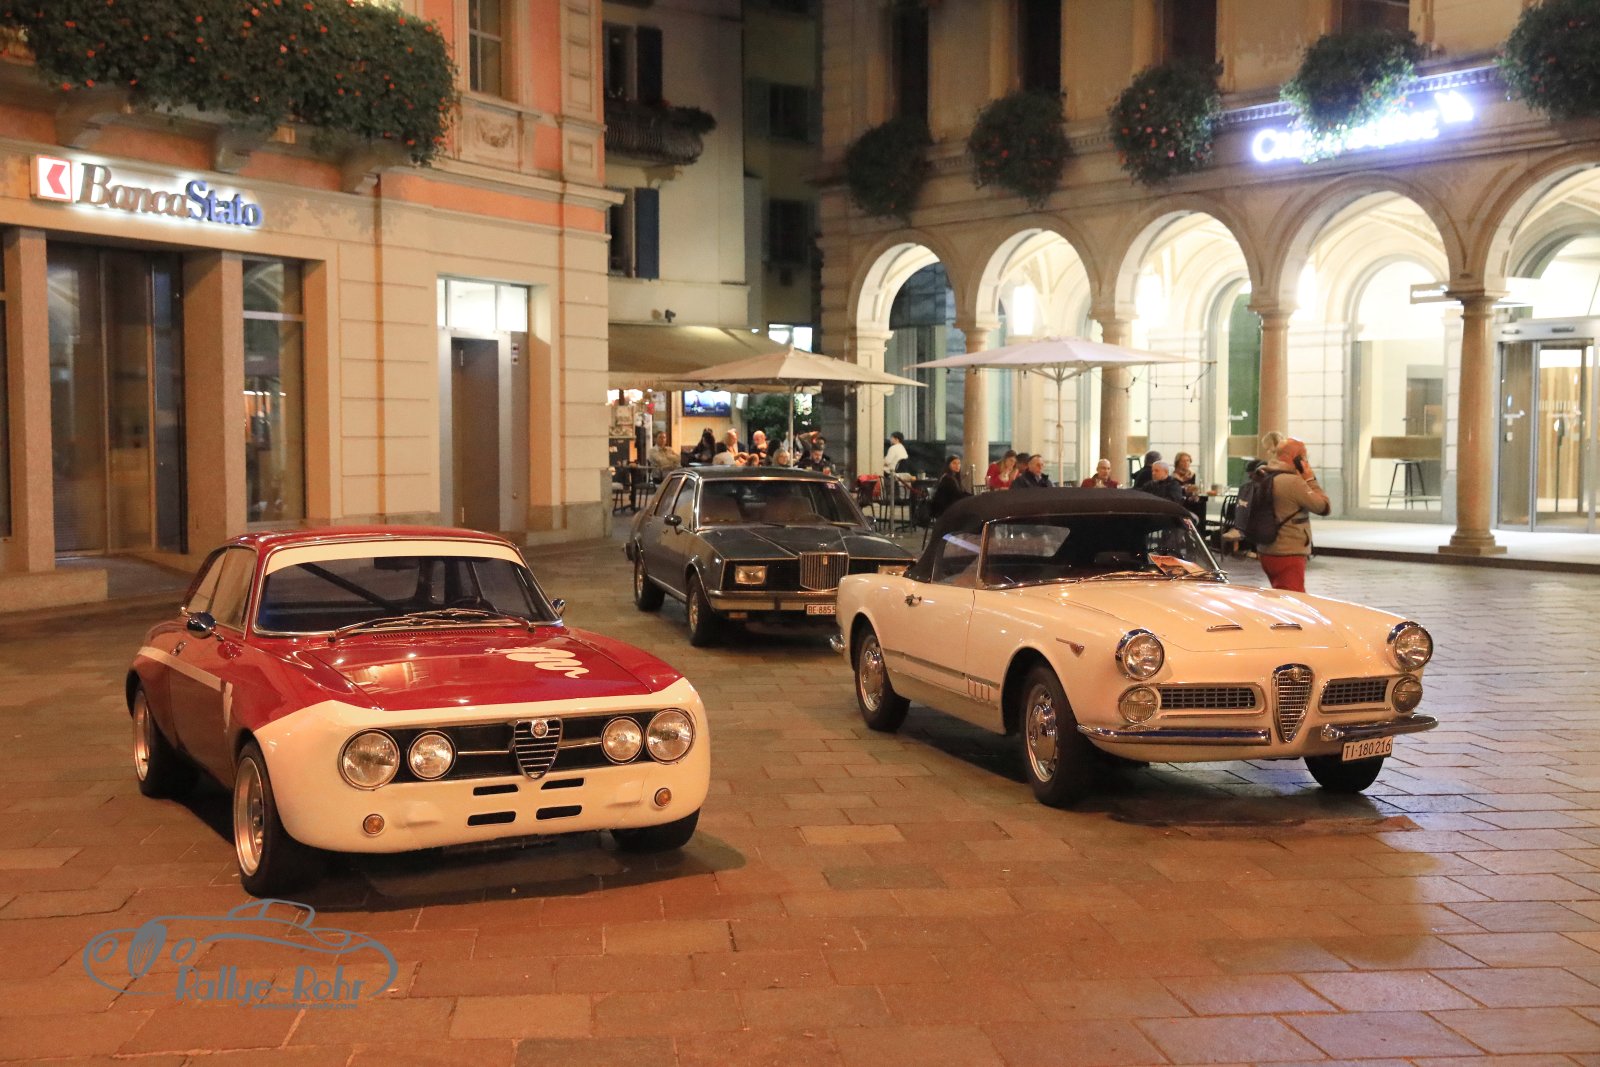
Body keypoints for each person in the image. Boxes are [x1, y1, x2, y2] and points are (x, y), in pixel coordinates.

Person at [1255, 437, 1331, 593]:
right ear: (1296, 458)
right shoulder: (1293, 482)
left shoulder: (1263, 475)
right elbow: (1323, 506)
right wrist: (1310, 479)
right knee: (1293, 599)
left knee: (1281, 594)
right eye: (1304, 456)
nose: (1306, 461)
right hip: (1288, 551)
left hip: (1266, 549)